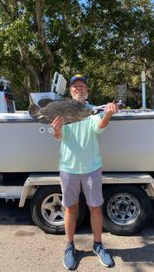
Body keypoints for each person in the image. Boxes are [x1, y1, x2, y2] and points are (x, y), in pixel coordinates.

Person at [51, 74, 118, 270]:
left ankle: (98, 245)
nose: (78, 88)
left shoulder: (93, 109)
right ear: (70, 90)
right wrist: (55, 131)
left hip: (92, 168)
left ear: (86, 90)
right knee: (70, 208)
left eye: (82, 85)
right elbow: (58, 136)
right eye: (75, 86)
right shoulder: (63, 110)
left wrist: (107, 114)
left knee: (95, 208)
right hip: (68, 168)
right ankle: (70, 246)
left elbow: (98, 128)